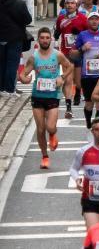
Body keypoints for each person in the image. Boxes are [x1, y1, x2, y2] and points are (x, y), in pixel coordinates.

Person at [21, 26, 72, 168]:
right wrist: (24, 79)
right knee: (40, 129)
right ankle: (44, 156)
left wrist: (62, 77)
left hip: (53, 95)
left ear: (51, 39)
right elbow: (24, 74)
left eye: (47, 38)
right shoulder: (34, 57)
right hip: (37, 96)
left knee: (50, 127)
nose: (45, 40)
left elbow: (69, 66)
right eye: (42, 38)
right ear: (38, 40)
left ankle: (53, 134)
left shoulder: (57, 55)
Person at [0, 0, 32, 94]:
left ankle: (1, 88)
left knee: (1, 63)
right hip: (15, 38)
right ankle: (9, 89)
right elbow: (28, 20)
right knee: (12, 64)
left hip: (1, 38)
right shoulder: (20, 3)